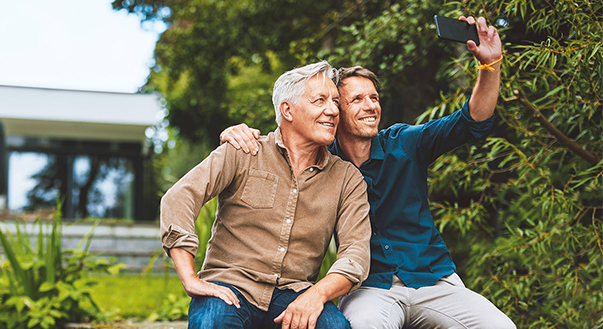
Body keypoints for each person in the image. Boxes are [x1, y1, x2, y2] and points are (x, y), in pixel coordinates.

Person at [220, 16, 515, 328]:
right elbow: (280, 143)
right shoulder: (320, 160)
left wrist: (490, 65)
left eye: (374, 97)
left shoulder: (405, 143)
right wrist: (237, 133)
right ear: (336, 110)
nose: (370, 105)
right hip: (370, 288)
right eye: (357, 100)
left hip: (433, 280)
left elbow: (472, 121)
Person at [160, 61, 371, 329]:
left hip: (296, 293)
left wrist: (316, 295)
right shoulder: (243, 151)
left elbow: (356, 252)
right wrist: (190, 278)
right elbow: (178, 198)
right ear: (287, 110)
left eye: (336, 102)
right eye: (320, 101)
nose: (332, 110)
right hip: (231, 287)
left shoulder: (347, 178)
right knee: (212, 323)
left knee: (335, 327)